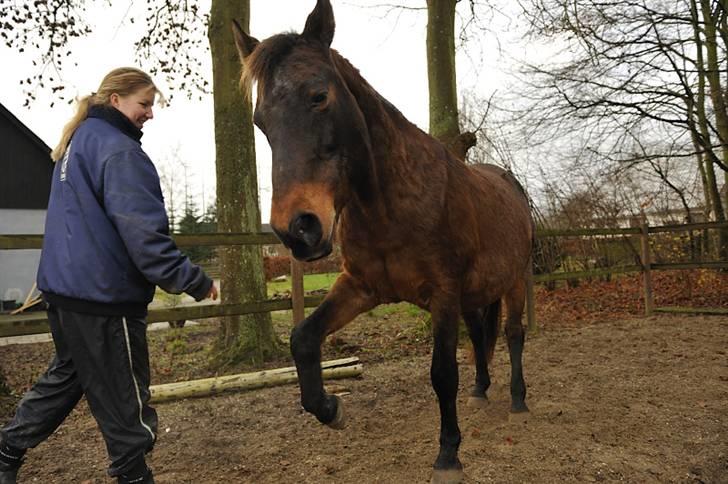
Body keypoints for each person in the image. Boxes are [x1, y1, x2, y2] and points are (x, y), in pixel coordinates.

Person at [0, 67, 218, 484]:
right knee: (125, 399)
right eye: (145, 104)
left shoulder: (79, 142)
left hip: (65, 293)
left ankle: (6, 453)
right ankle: (134, 476)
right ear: (116, 100)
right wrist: (194, 280)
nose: (150, 114)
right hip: (104, 298)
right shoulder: (119, 152)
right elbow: (144, 236)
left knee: (66, 380)